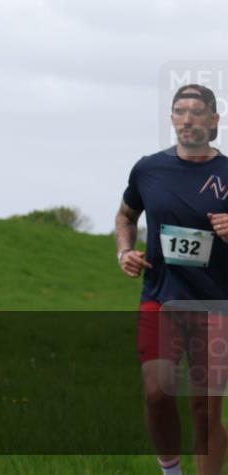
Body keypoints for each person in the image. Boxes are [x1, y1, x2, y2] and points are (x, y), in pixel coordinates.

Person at [115, 83, 228, 475]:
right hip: (161, 299)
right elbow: (126, 217)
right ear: (172, 119)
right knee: (157, 393)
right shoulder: (149, 168)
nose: (187, 118)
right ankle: (171, 472)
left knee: (205, 410)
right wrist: (124, 251)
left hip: (216, 307)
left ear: (214, 120)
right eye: (179, 111)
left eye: (197, 111)